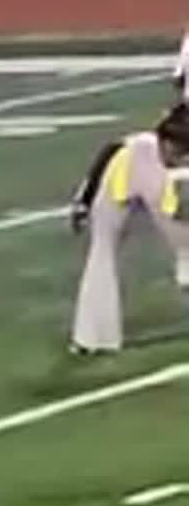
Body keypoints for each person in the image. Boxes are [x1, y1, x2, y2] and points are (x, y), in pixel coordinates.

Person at [70, 103, 189, 355]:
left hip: (159, 187)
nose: (174, 157)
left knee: (186, 247)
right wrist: (84, 200)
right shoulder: (139, 148)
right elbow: (107, 154)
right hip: (117, 183)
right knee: (102, 251)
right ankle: (94, 337)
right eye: (173, 150)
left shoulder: (176, 166)